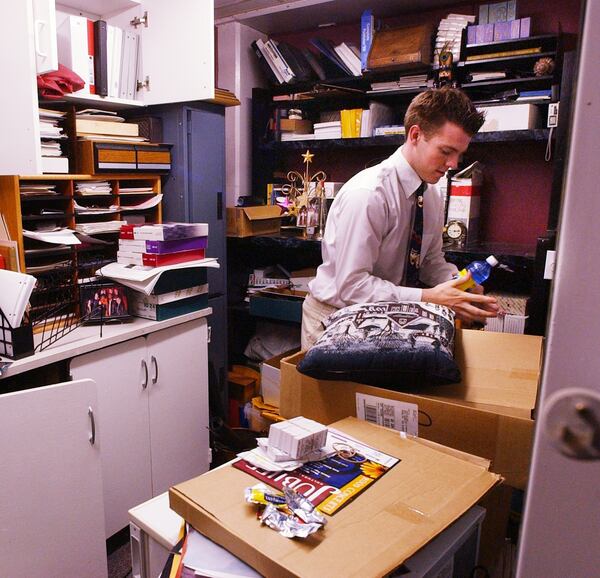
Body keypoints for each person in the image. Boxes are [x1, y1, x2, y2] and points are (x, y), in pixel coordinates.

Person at [301, 87, 499, 349]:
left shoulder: (430, 193)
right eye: (446, 151)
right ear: (415, 135)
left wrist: (460, 286)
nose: (454, 163)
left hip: (385, 318)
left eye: (459, 155)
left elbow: (429, 261)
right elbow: (353, 287)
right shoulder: (369, 194)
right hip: (334, 320)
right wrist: (431, 298)